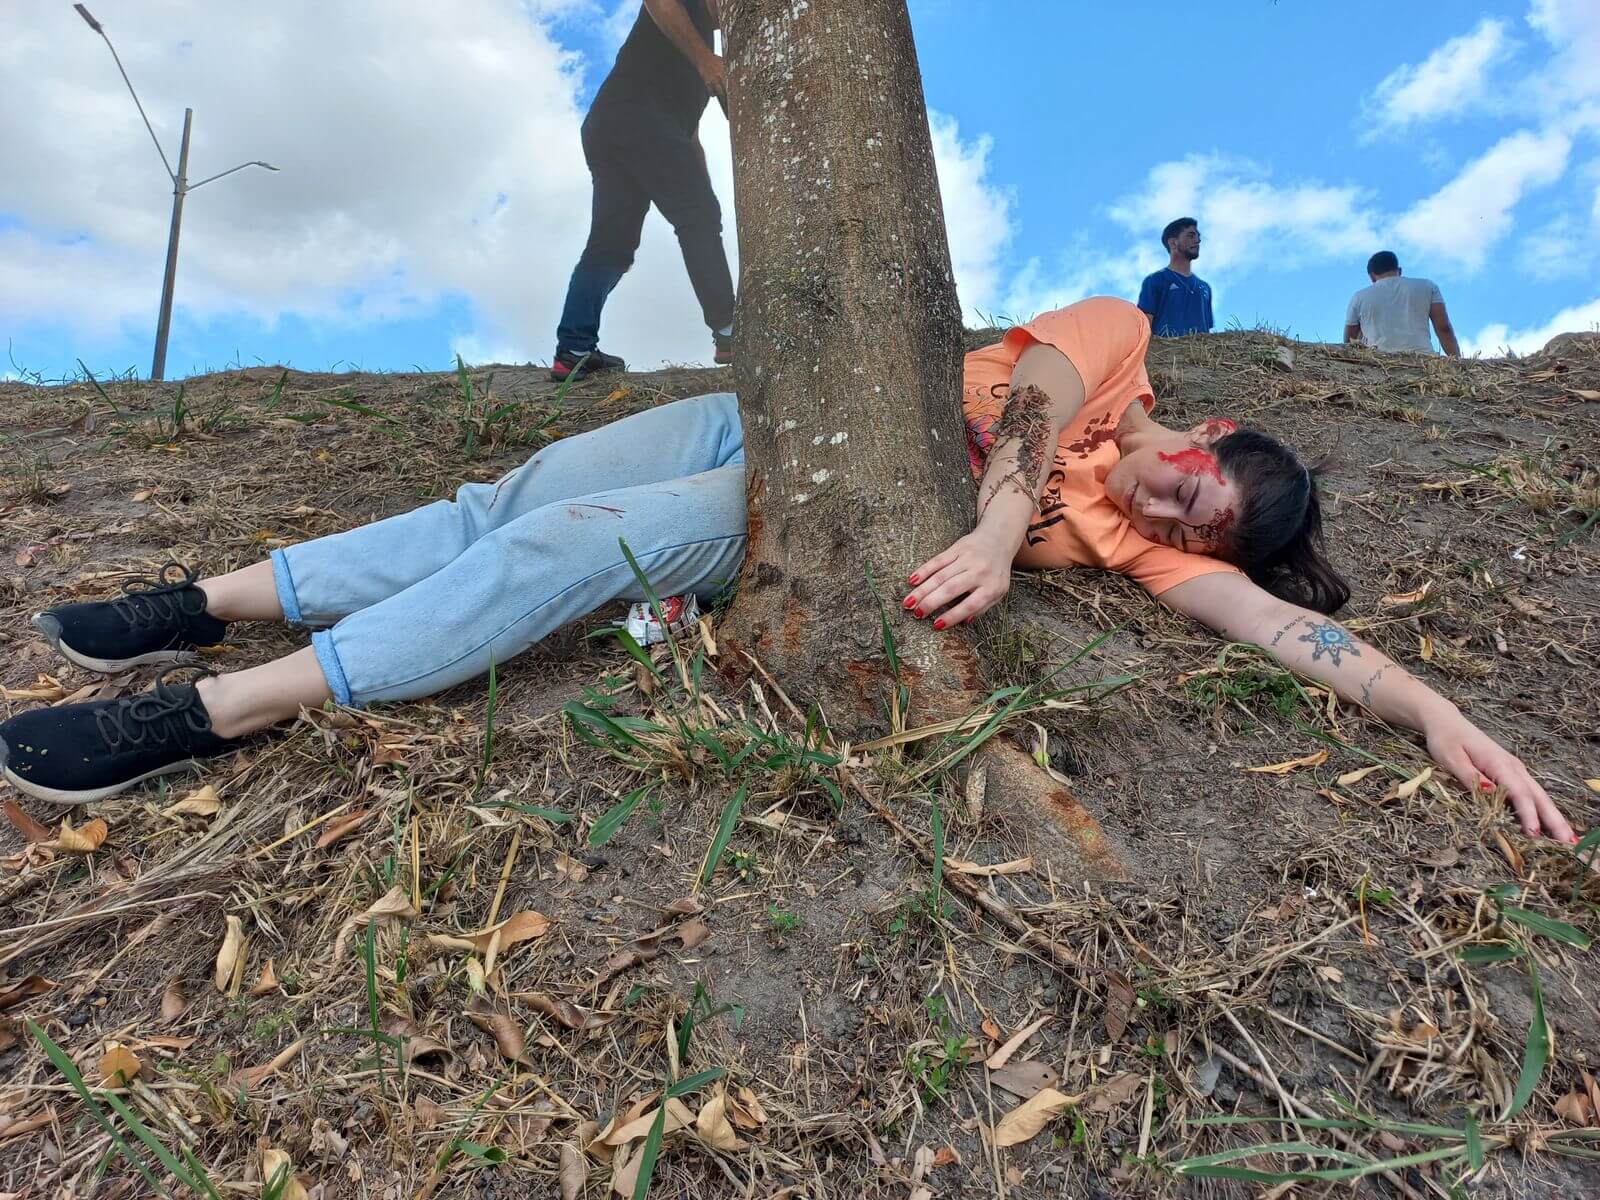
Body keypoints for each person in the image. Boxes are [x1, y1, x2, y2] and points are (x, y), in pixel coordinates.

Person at [0, 299, 1574, 847]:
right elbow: (1023, 396)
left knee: (556, 551)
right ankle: (200, 604)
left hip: (788, 510)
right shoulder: (1116, 350)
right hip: (767, 419)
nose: (1168, 516)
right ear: (1203, 428)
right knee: (507, 493)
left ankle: (214, 708)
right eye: (1190, 486)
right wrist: (991, 529)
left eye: (1194, 531)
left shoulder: (1134, 547)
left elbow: (1274, 639)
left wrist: (1437, 718)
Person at [550, 0, 735, 382]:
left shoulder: (700, 54)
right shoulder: (688, 21)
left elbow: (689, 135)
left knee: (612, 246)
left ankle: (574, 349)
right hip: (634, 116)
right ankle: (730, 331)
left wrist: (702, 190)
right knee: (695, 217)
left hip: (613, 125)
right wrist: (705, 60)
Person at [1343, 251, 1460, 356]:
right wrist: (1458, 363)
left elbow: (1350, 341)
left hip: (1378, 363)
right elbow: (1443, 328)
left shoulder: (1359, 297)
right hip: (1423, 360)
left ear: (1372, 276)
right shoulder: (1427, 286)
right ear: (1399, 270)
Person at [1137, 218, 1214, 337]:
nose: (1198, 240)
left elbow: (1207, 332)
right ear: (1173, 243)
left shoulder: (1205, 288)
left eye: (1198, 236)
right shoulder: (1155, 281)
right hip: (1166, 354)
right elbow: (1144, 328)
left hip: (1200, 354)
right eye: (1191, 236)